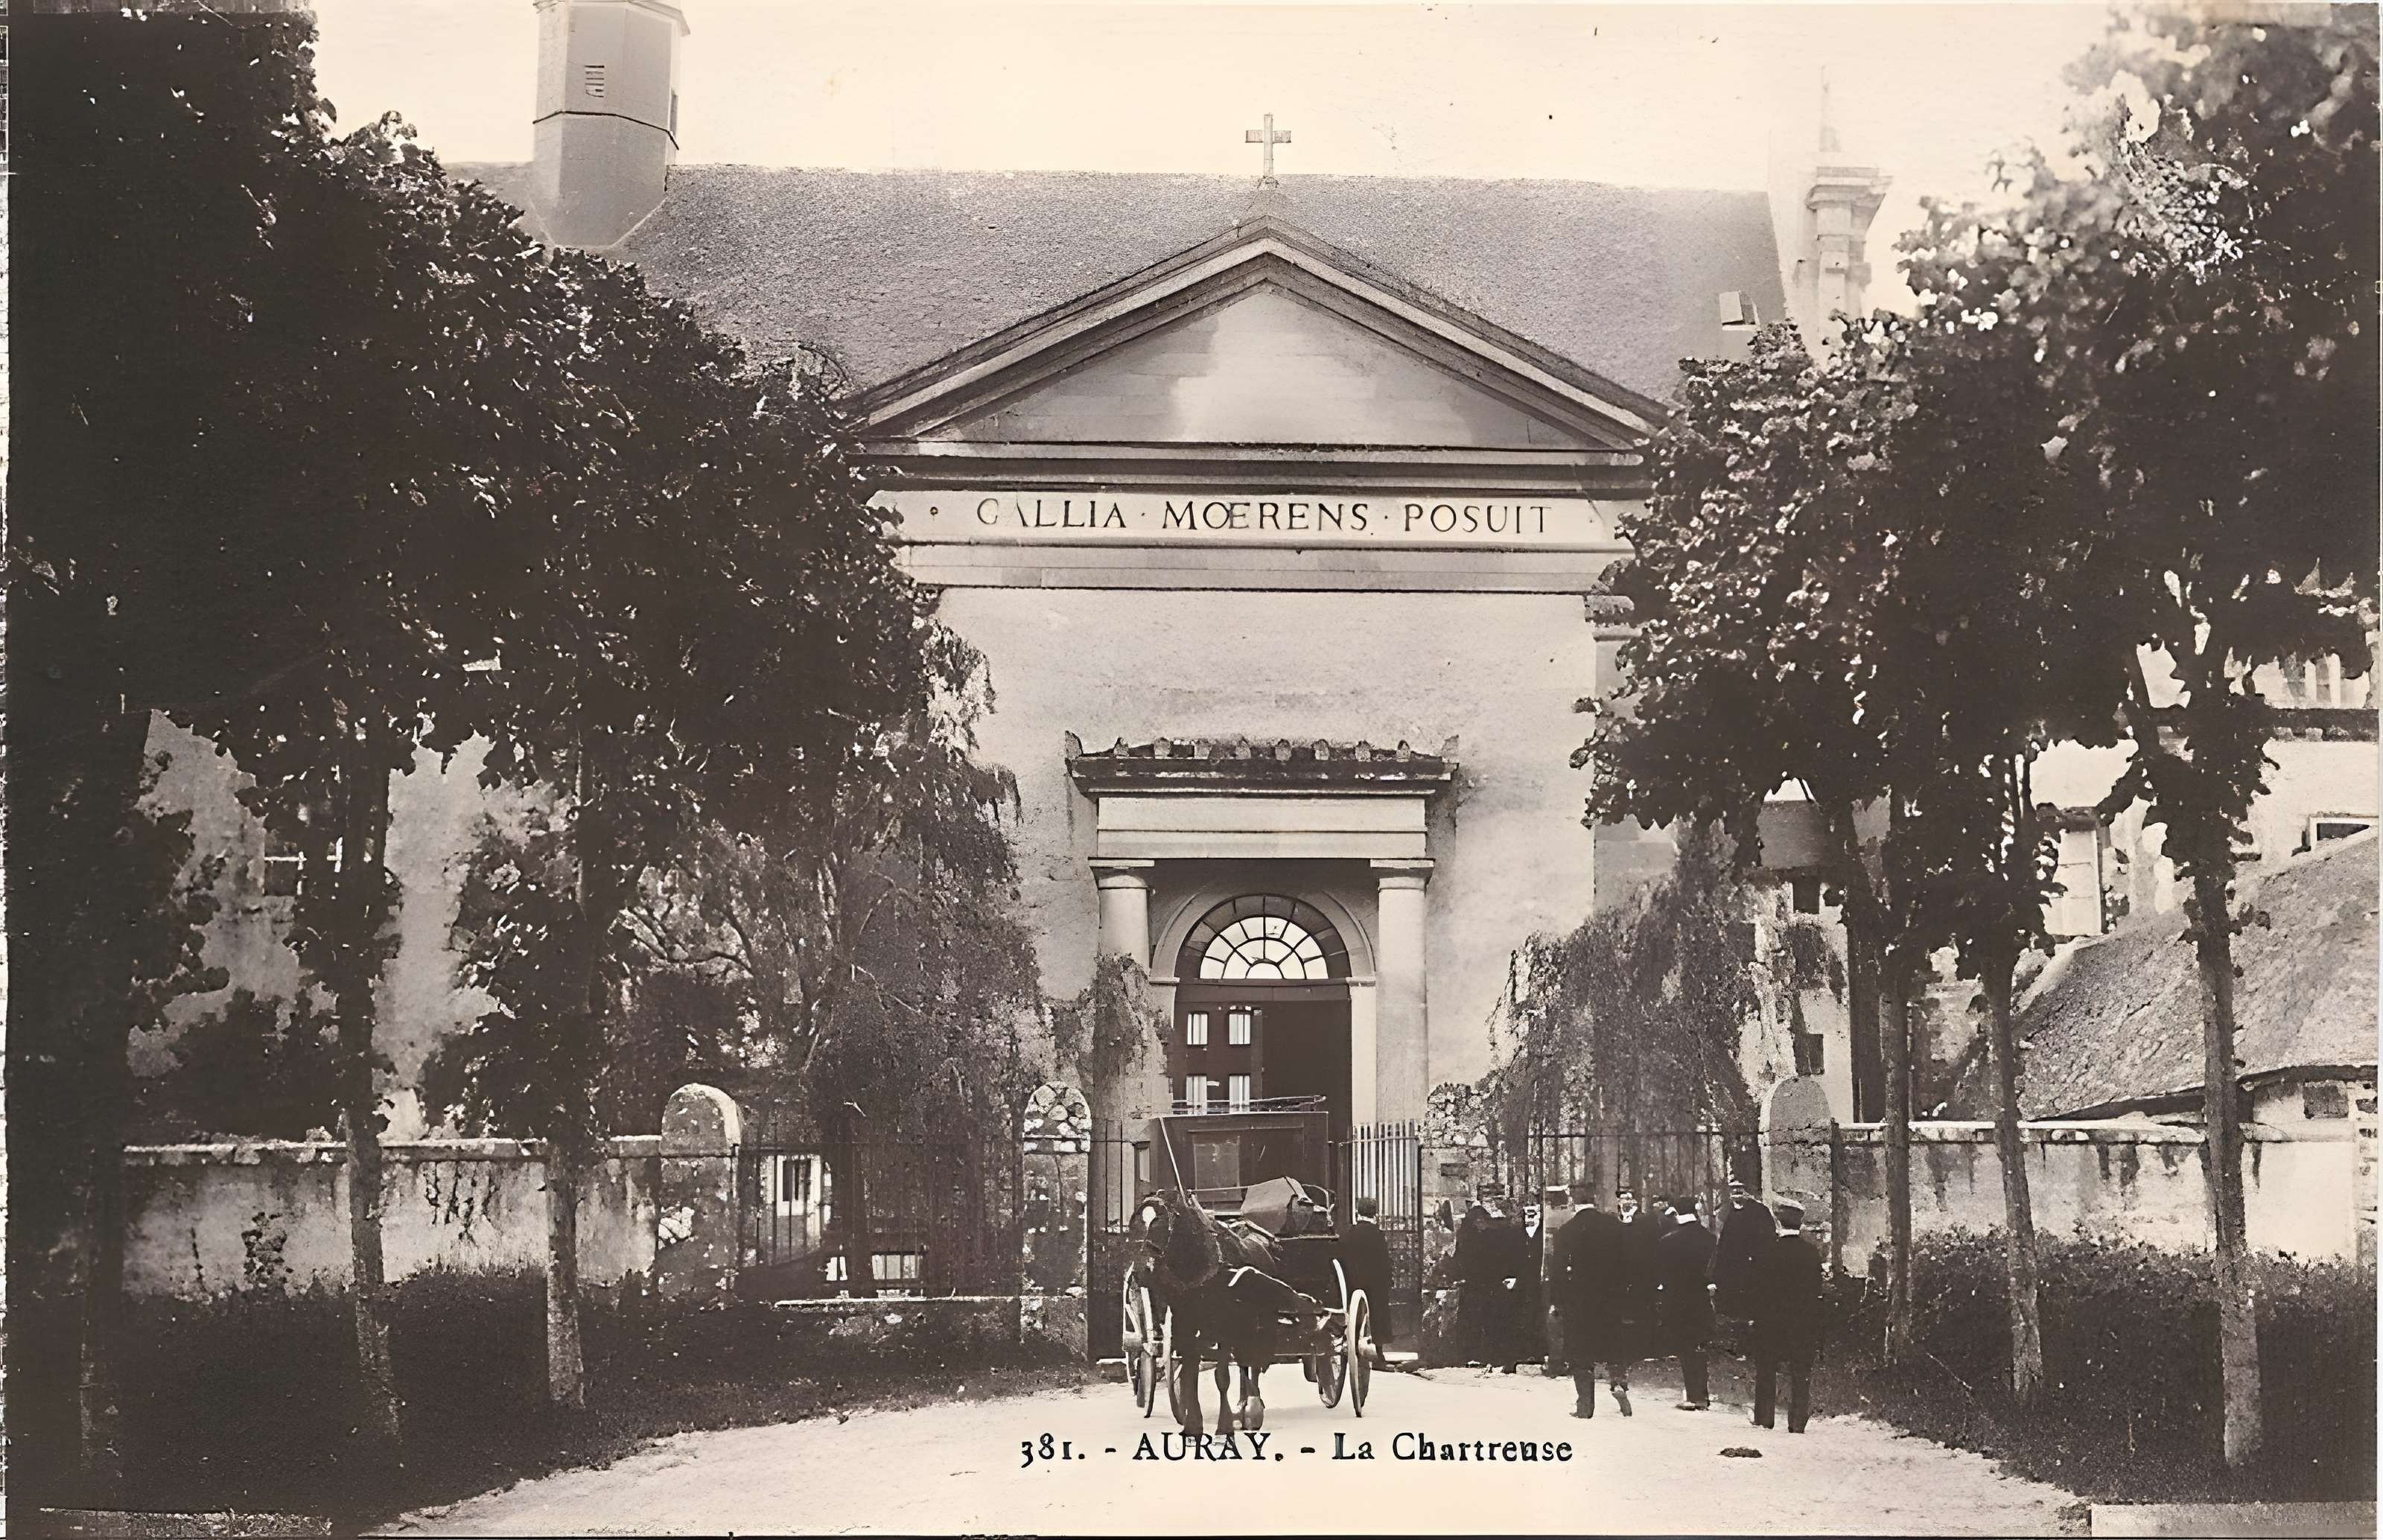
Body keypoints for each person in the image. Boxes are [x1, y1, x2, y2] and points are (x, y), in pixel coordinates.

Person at [1551, 1182, 1634, 1418]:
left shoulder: (1566, 1231)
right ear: (1595, 1199)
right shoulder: (1614, 1227)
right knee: (1613, 1344)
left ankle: (1585, 1406)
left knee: (1581, 1351)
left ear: (1572, 1202)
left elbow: (1558, 1271)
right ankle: (1618, 1380)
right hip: (1611, 1299)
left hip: (1579, 1301)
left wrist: (1558, 1301)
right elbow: (1627, 1263)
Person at [1750, 1197, 1825, 1433]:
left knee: (1766, 1369)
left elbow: (1758, 1290)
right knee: (1800, 1372)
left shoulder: (1766, 1252)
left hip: (1770, 1322)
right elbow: (1816, 1291)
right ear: (1800, 1224)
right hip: (1801, 1323)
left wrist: (1756, 1316)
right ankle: (1798, 1422)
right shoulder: (1811, 1254)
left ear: (1778, 1223)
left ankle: (1764, 1417)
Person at [1654, 1192, 1717, 1410]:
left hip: (1677, 1301)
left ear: (1676, 1212)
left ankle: (1694, 1394)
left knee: (1686, 1347)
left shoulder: (1668, 1241)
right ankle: (1701, 1392)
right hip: (1700, 1299)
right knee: (1699, 1346)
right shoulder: (1709, 1239)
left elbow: (1661, 1275)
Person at [1711, 1175, 1778, 1352]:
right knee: (1736, 1308)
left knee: (1755, 1305)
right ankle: (1740, 1342)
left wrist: (1756, 1256)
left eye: (1740, 1190)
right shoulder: (1727, 1212)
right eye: (1733, 1190)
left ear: (1747, 1191)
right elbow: (1723, 1242)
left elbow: (1768, 1238)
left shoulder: (1760, 1211)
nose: (1736, 1194)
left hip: (1754, 1267)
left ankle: (1757, 1342)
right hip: (1733, 1269)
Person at [1342, 1195, 1396, 1369]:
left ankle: (1351, 1345)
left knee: (1353, 1313)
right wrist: (1388, 1279)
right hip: (1375, 1283)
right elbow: (1384, 1261)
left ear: (1358, 1212)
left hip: (1353, 1282)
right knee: (1378, 1313)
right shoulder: (1377, 1235)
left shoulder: (1349, 1233)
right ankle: (1378, 1353)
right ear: (1375, 1213)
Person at [1453, 1202, 1495, 1367]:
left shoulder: (1487, 1237)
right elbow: (1459, 1260)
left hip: (1483, 1284)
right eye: (1478, 1221)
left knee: (1482, 1320)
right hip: (1473, 1285)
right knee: (1473, 1321)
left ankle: (1480, 1354)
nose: (1481, 1224)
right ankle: (1472, 1354)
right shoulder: (1467, 1238)